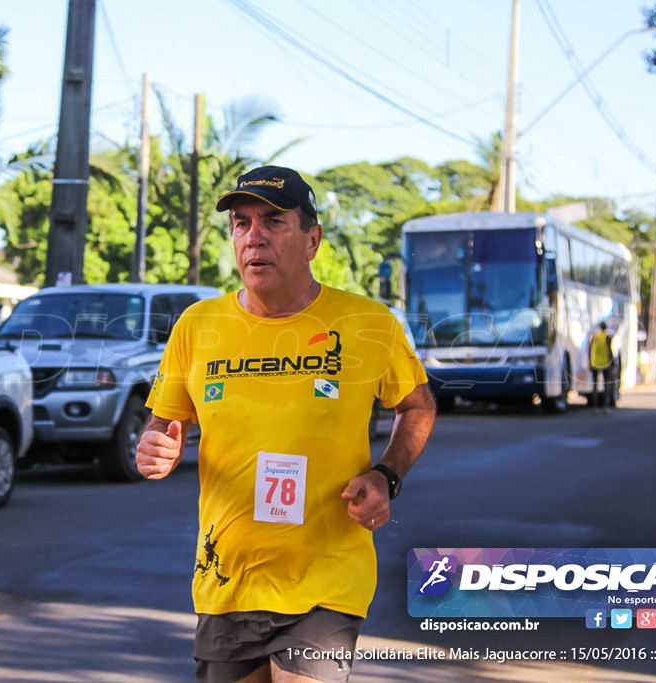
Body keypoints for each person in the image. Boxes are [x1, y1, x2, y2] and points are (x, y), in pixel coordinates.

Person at [136, 166, 437, 683]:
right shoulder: (197, 326)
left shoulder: (367, 324)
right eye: (241, 223)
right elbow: (163, 424)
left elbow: (418, 404)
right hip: (227, 576)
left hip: (326, 576)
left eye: (274, 221)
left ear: (312, 239)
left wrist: (385, 475)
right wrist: (154, 448)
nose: (254, 237)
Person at [588, 321, 614, 415]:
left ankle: (595, 408)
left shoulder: (594, 337)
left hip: (595, 363)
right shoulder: (607, 337)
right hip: (605, 364)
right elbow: (610, 351)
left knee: (595, 386)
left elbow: (589, 349)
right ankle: (605, 407)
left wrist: (590, 362)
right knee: (606, 385)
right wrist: (612, 363)